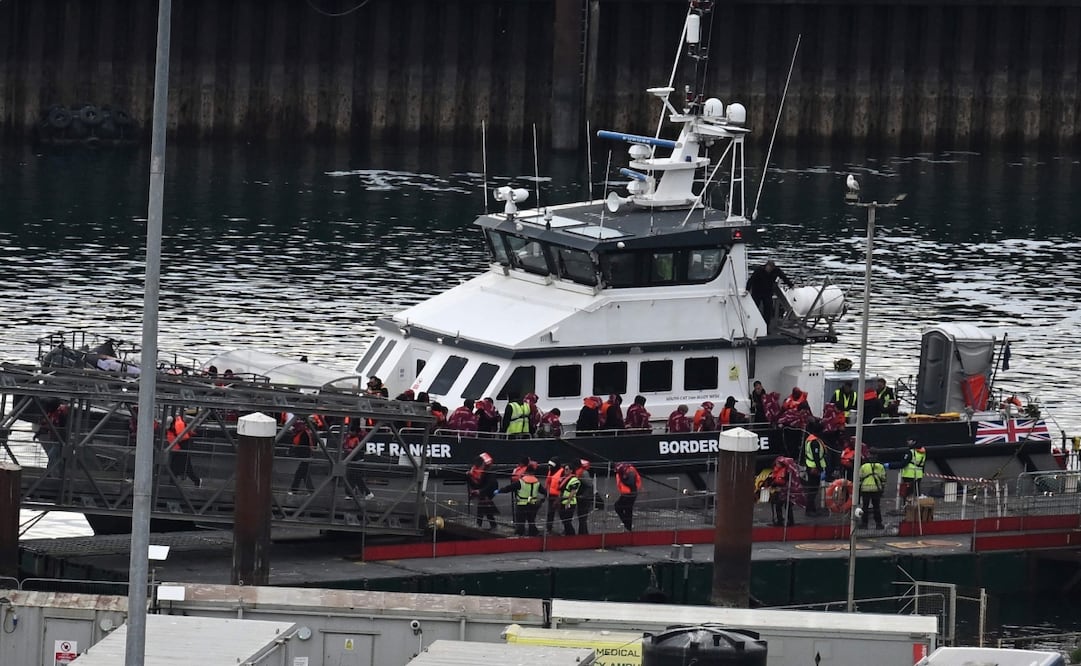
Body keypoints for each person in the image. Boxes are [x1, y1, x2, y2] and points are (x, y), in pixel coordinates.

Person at [497, 464, 543, 536]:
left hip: (522, 505)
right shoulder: (537, 482)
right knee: (531, 521)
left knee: (520, 523)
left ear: (526, 472)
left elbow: (509, 488)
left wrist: (499, 491)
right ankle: (533, 535)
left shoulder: (521, 482)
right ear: (533, 472)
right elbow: (544, 491)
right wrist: (543, 499)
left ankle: (519, 536)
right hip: (532, 505)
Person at [746, 259, 794, 327]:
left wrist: (791, 285)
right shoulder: (759, 270)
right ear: (766, 266)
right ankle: (752, 325)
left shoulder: (776, 270)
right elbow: (751, 280)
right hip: (757, 291)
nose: (770, 270)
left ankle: (766, 326)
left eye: (771, 268)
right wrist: (747, 289)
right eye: (769, 268)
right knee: (755, 308)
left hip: (767, 292)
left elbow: (783, 277)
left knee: (768, 309)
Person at [167, 412, 201, 487]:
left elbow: (180, 439)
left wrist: (175, 450)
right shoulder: (177, 426)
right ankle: (172, 482)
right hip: (180, 448)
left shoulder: (177, 427)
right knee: (174, 466)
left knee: (186, 467)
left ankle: (196, 480)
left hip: (183, 448)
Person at [466, 452, 498, 530]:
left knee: (482, 504)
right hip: (482, 488)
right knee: (484, 506)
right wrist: (469, 477)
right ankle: (492, 524)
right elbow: (477, 483)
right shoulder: (477, 469)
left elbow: (490, 485)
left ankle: (479, 524)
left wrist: (480, 491)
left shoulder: (489, 471)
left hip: (491, 490)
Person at [765, 456, 800, 526]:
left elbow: (781, 481)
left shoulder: (785, 471)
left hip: (785, 491)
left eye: (778, 463)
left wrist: (773, 485)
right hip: (779, 491)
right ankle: (780, 520)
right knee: (778, 506)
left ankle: (789, 521)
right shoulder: (777, 470)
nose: (776, 464)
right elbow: (775, 479)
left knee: (786, 506)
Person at [342, 423, 374, 500]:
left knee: (356, 478)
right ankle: (351, 493)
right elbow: (345, 446)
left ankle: (367, 493)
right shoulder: (349, 438)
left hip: (357, 461)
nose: (350, 432)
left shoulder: (359, 439)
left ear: (356, 432)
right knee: (350, 477)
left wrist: (348, 450)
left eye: (351, 431)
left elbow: (356, 449)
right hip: (350, 460)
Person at [802, 421, 826, 515]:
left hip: (810, 465)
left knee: (812, 489)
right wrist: (819, 468)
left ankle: (811, 508)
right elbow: (816, 456)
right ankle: (809, 510)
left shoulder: (809, 439)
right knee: (813, 490)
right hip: (814, 468)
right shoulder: (814, 442)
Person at [859, 452, 887, 529]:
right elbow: (883, 478)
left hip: (865, 489)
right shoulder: (881, 467)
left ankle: (864, 524)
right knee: (876, 507)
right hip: (876, 490)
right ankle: (878, 524)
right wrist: (882, 489)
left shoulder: (864, 466)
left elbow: (860, 477)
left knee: (865, 507)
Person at [289, 418, 317, 494]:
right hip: (305, 457)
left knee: (300, 474)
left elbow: (303, 446)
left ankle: (294, 490)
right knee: (304, 475)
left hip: (306, 457)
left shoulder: (304, 434)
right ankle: (310, 491)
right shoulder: (301, 433)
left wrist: (296, 452)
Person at [614, 462, 641, 531]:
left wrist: (623, 478)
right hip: (626, 493)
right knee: (627, 510)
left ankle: (627, 526)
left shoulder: (630, 472)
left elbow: (631, 483)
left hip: (630, 494)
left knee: (619, 507)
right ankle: (628, 526)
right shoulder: (623, 471)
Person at [557, 462, 582, 536]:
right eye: (565, 469)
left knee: (567, 520)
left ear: (571, 470)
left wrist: (568, 502)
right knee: (563, 518)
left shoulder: (574, 480)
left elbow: (573, 492)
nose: (565, 471)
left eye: (567, 469)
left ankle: (571, 534)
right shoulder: (564, 479)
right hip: (562, 501)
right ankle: (568, 533)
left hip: (570, 502)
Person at [572, 459, 594, 535]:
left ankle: (583, 534)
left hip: (584, 498)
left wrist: (584, 496)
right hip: (581, 498)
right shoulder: (580, 472)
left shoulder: (583, 473)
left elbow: (590, 485)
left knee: (582, 517)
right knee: (581, 517)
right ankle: (583, 533)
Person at [544, 457, 565, 533]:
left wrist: (560, 496)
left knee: (561, 513)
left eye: (551, 465)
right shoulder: (550, 471)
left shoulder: (562, 471)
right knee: (550, 513)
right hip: (551, 495)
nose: (549, 467)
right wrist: (545, 492)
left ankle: (566, 528)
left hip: (558, 496)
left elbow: (563, 485)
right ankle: (548, 528)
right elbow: (548, 481)